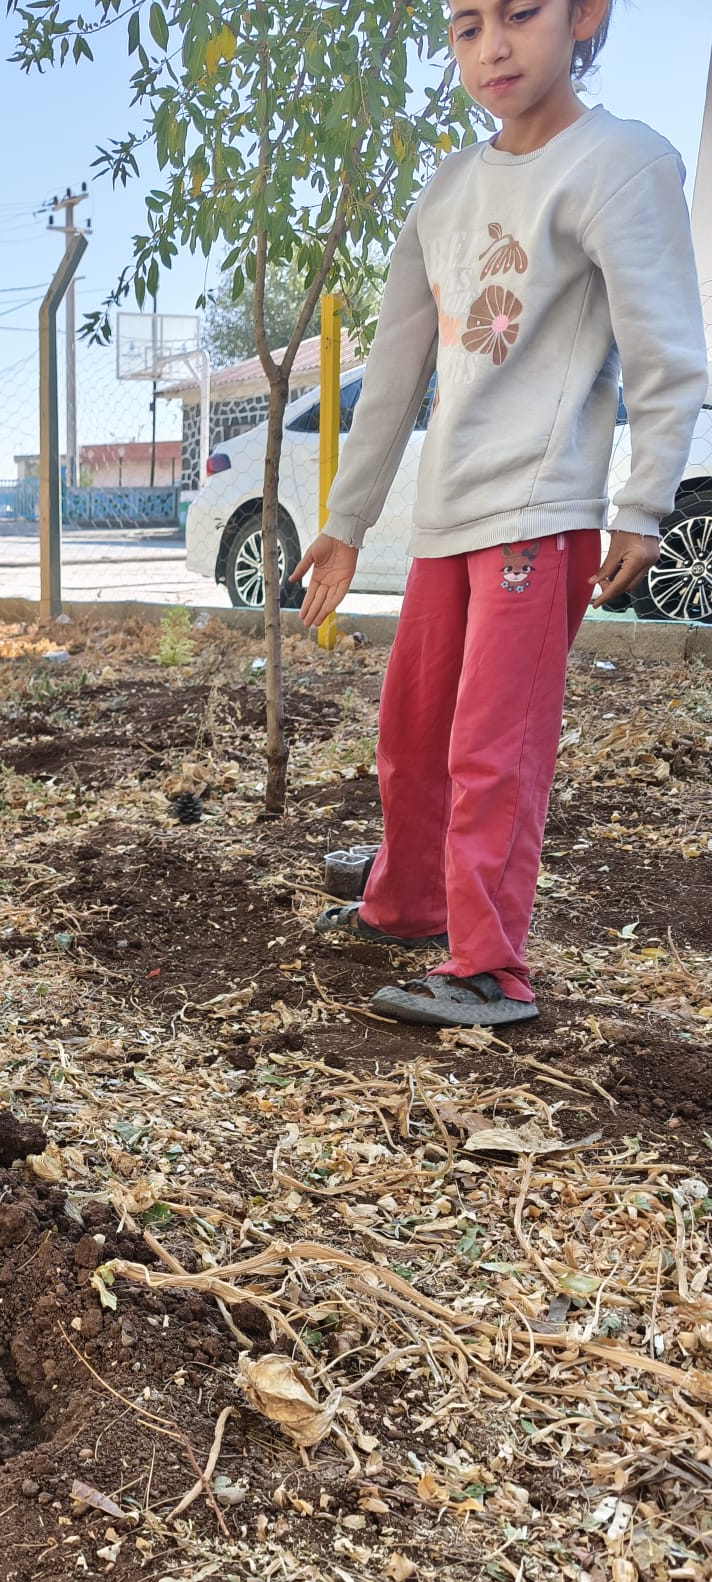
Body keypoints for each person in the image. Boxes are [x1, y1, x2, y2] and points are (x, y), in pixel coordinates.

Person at [296, 0, 707, 1029]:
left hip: (541, 508)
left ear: (584, 17)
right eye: (466, 24)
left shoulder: (619, 163)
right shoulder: (447, 187)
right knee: (413, 726)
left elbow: (666, 346)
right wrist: (346, 521)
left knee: (494, 743)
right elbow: (393, 367)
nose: (494, 45)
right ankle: (408, 901)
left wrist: (644, 498)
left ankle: (489, 967)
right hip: (450, 511)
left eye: (520, 14)